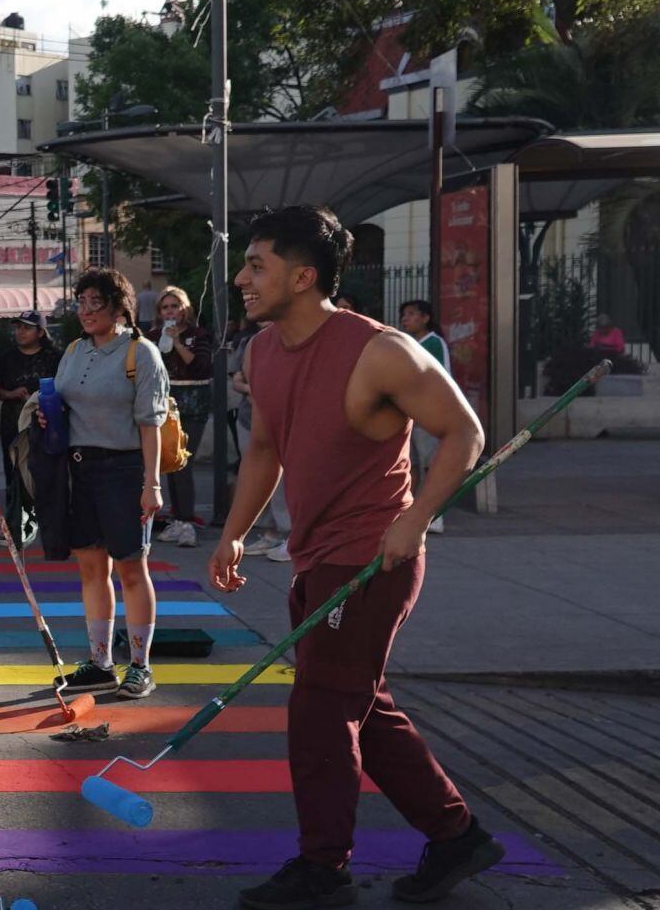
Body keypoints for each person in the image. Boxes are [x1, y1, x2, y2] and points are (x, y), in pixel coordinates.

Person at [212, 206, 502, 910]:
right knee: (357, 704)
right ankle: (457, 835)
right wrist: (233, 533)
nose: (242, 279)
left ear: (304, 277)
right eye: (246, 264)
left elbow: (465, 432)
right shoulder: (263, 352)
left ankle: (323, 868)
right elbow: (264, 451)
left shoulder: (380, 350)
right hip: (316, 558)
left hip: (373, 559)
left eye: (258, 266)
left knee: (318, 709)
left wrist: (416, 517)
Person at [46, 268, 169, 701]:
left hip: (124, 469)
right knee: (92, 568)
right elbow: (63, 401)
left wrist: (151, 484)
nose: (85, 311)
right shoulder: (75, 349)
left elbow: (151, 424)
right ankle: (100, 664)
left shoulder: (141, 353)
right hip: (80, 470)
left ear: (119, 306)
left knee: (132, 568)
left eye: (94, 302)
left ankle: (140, 666)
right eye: (80, 302)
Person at [153, 286, 213, 548]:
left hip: (194, 403)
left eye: (174, 306)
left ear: (184, 309)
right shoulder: (154, 335)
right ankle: (177, 518)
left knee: (184, 460)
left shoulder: (198, 334)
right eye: (165, 307)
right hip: (166, 403)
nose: (170, 311)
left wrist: (177, 342)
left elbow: (200, 365)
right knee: (170, 461)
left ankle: (187, 520)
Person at [0, 310, 59, 530]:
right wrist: (8, 394)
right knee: (14, 471)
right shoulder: (6, 358)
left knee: (48, 470)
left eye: (27, 327)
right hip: (13, 424)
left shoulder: (55, 356)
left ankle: (51, 519)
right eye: (18, 327)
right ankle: (16, 519)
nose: (20, 332)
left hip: (47, 425)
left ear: (40, 332)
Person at [231, 325, 292, 563]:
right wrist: (253, 389)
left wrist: (261, 392)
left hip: (281, 420)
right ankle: (270, 532)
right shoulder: (252, 342)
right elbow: (237, 380)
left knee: (280, 480)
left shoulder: (293, 340)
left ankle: (290, 535)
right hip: (249, 419)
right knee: (253, 477)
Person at [398, 299, 452, 536]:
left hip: (428, 414)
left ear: (425, 317)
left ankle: (434, 514)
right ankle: (411, 510)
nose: (405, 319)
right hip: (409, 413)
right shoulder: (407, 343)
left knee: (430, 465)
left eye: (411, 314)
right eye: (404, 314)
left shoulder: (434, 343)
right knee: (413, 466)